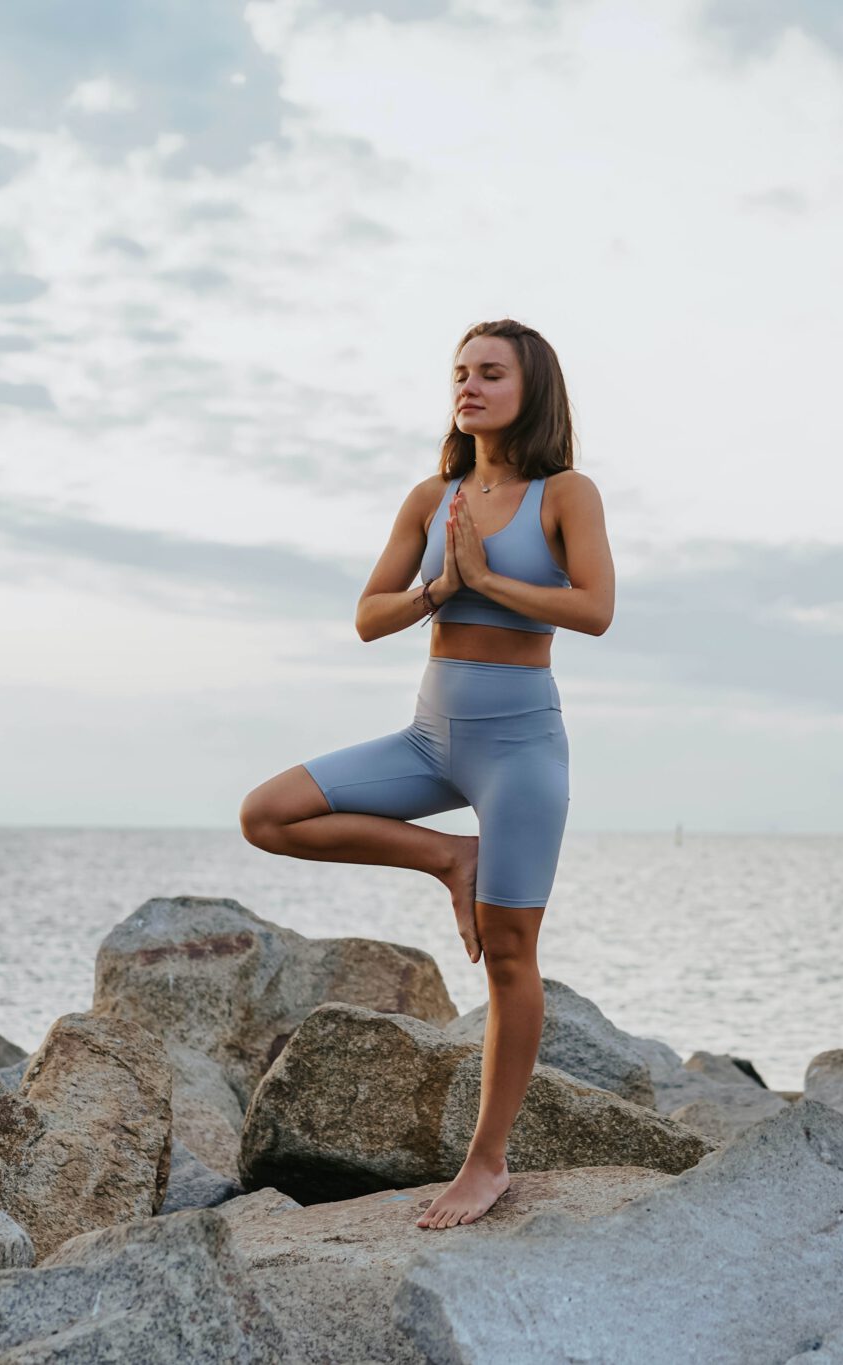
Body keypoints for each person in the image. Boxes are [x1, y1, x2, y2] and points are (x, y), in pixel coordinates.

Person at [238, 319, 615, 1228]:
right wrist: (440, 589)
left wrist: (488, 575)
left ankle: (487, 1162)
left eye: (490, 373)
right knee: (268, 812)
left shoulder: (565, 493)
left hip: (521, 751)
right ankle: (447, 859)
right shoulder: (431, 496)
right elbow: (370, 616)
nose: (469, 386)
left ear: (532, 389)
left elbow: (595, 609)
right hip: (428, 740)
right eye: (461, 373)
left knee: (512, 957)